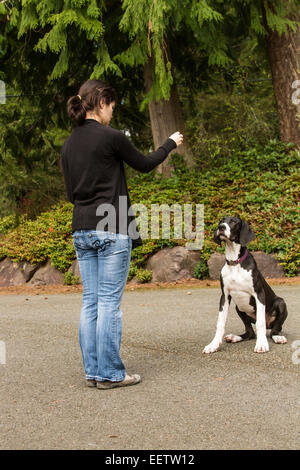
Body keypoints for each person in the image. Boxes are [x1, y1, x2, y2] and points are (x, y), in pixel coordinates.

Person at [61, 79, 183, 389]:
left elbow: (70, 194)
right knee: (108, 304)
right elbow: (145, 164)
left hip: (81, 227)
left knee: (91, 302)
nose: (113, 114)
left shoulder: (69, 144)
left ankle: (93, 371)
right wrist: (170, 143)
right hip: (111, 225)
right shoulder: (111, 137)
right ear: (101, 102)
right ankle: (111, 374)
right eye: (112, 107)